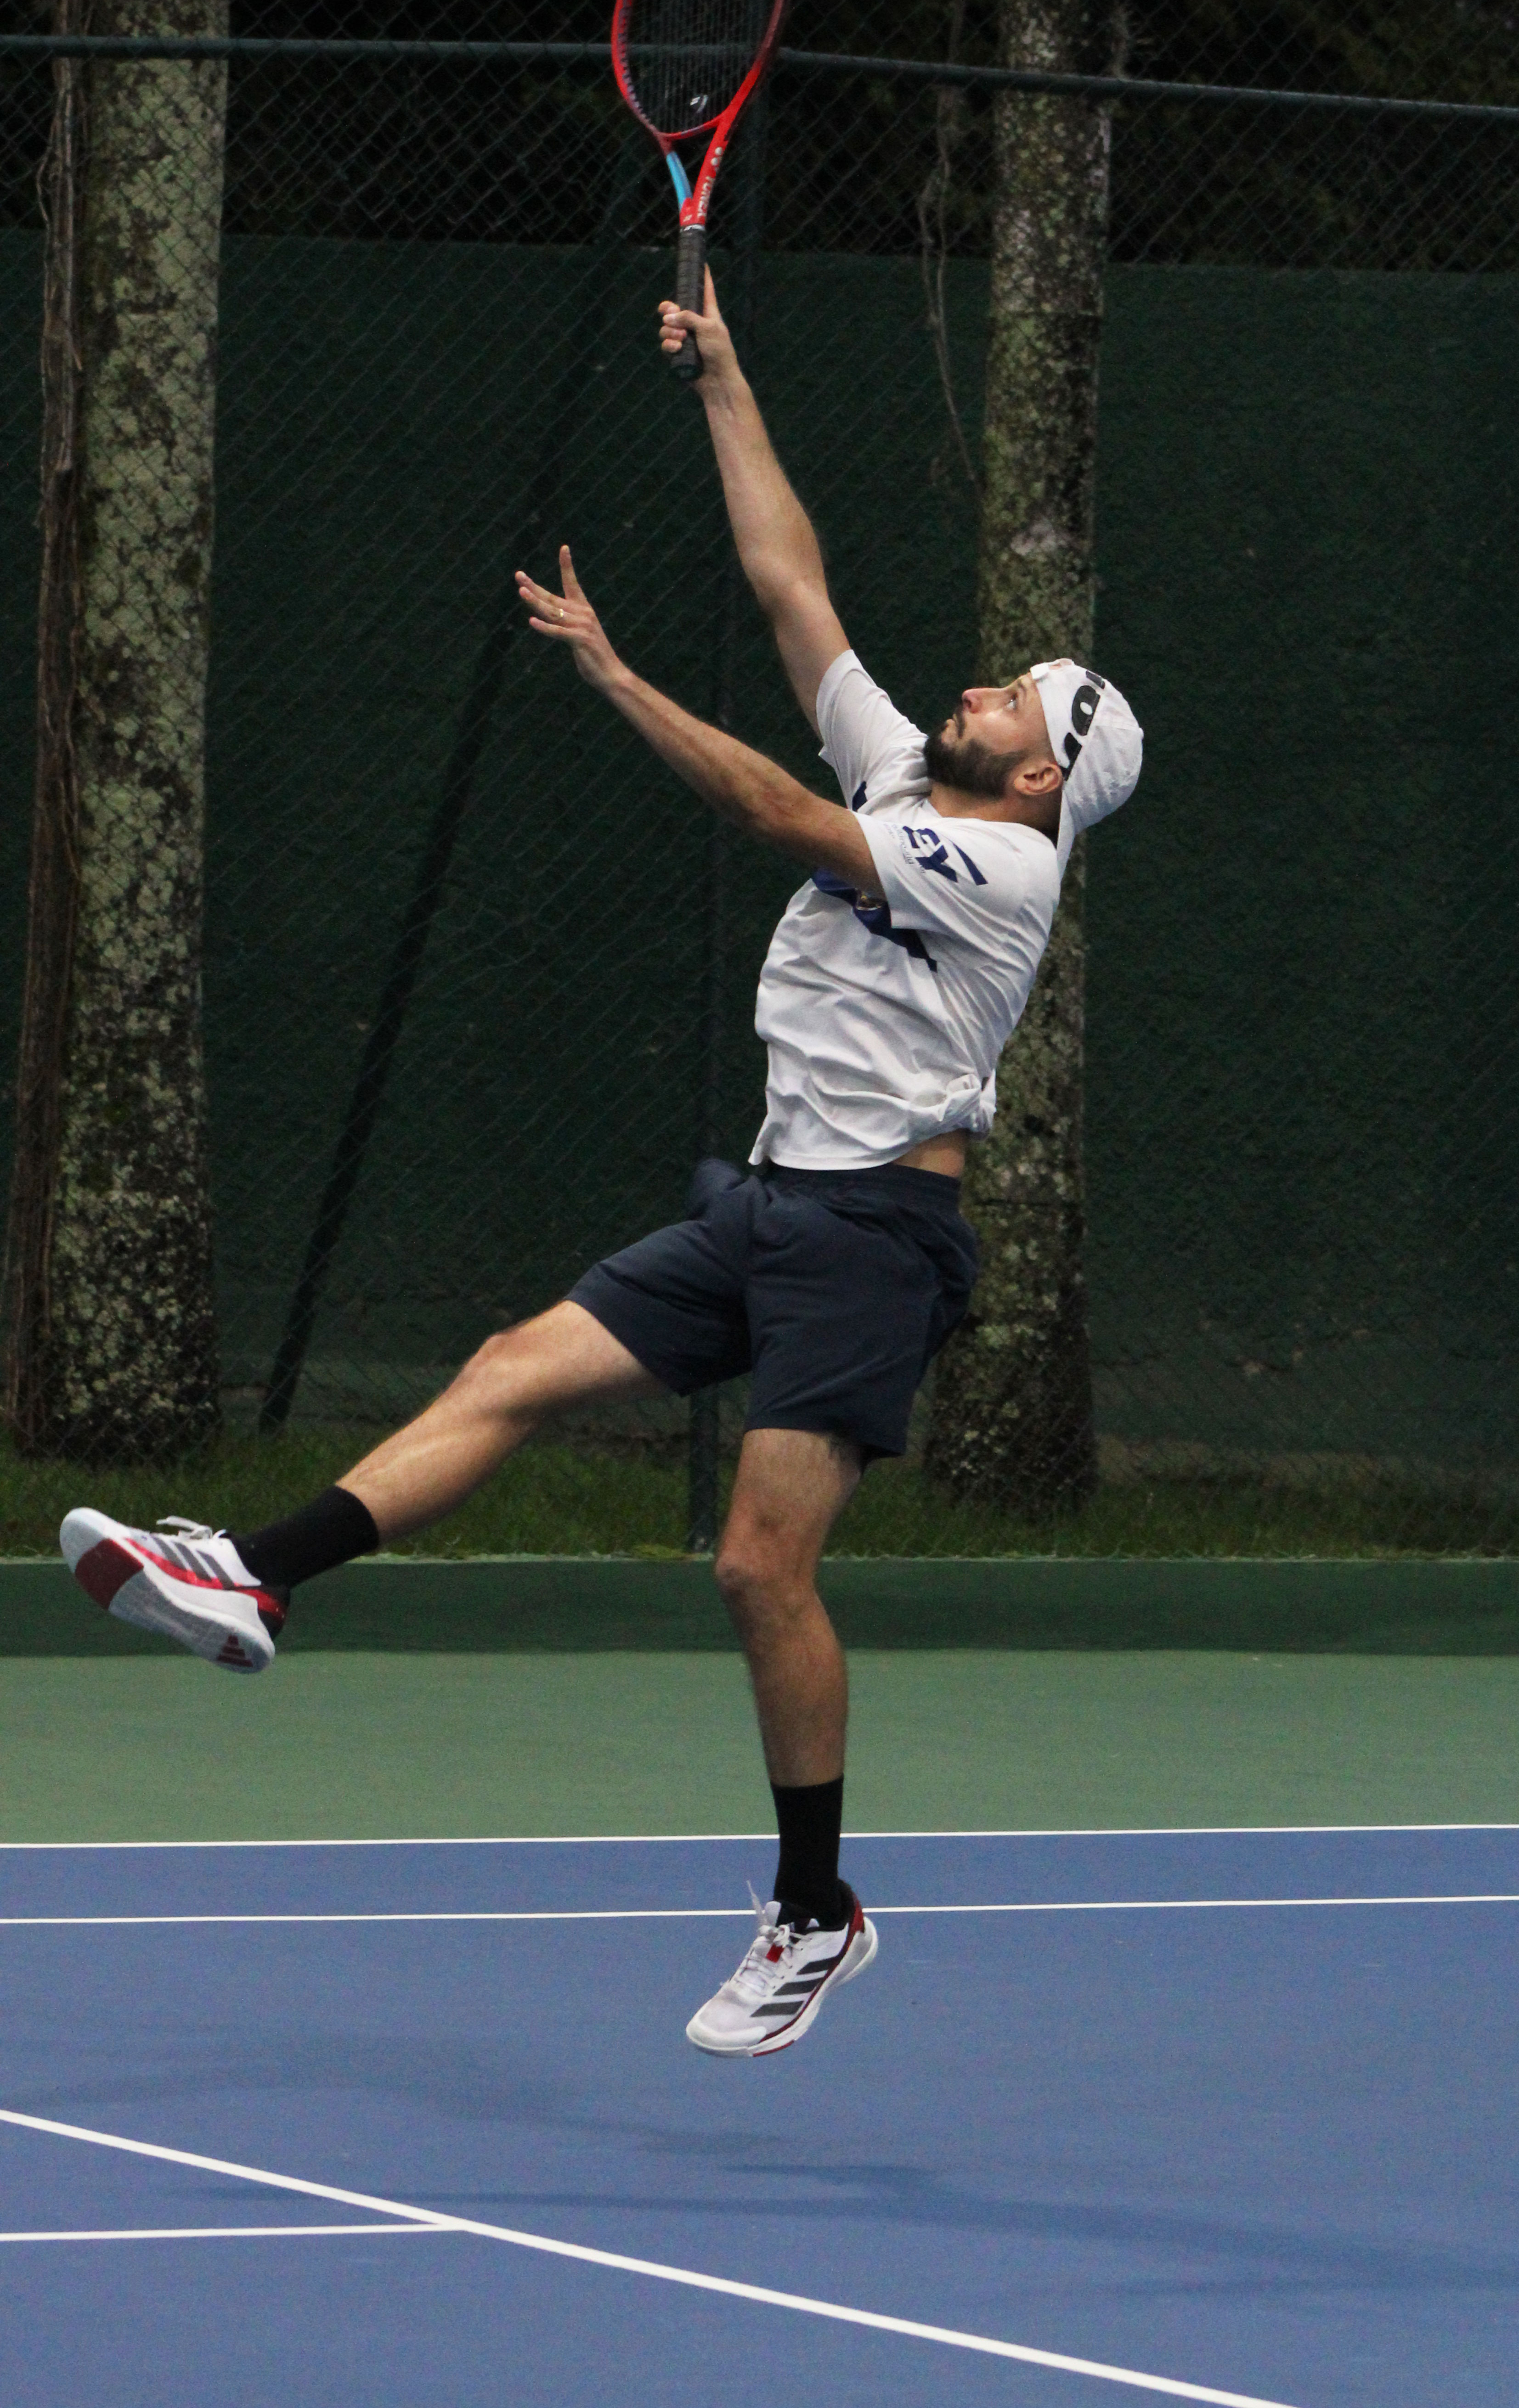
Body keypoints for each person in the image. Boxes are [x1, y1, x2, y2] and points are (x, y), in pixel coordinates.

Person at [59, 276, 1143, 2058]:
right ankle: (248, 1582)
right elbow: (795, 588)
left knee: (754, 1570)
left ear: (1047, 774)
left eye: (1007, 695)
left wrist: (620, 674)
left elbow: (773, 816)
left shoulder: (1003, 875)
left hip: (878, 1239)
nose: (968, 687)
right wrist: (723, 378)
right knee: (510, 1369)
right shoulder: (910, 774)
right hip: (780, 1200)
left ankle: (815, 1914)